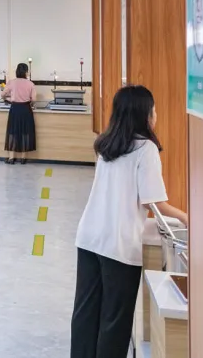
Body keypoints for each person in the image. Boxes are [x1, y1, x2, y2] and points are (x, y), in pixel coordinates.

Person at [70, 85, 188, 358]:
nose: (156, 114)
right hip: (119, 245)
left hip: (89, 237)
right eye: (153, 109)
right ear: (144, 114)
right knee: (115, 319)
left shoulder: (107, 145)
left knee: (86, 313)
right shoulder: (145, 148)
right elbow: (153, 202)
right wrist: (186, 218)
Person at [0, 62, 36, 164]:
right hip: (26, 109)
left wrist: (8, 98)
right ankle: (23, 158)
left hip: (15, 109)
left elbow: (2, 94)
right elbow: (34, 99)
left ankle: (11, 158)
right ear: (26, 72)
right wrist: (29, 102)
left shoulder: (12, 82)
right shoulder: (30, 84)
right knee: (25, 132)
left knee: (12, 132)